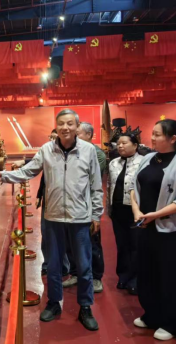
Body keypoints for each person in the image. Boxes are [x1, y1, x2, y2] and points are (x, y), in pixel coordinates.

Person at [0, 109, 103, 332]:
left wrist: (96, 214)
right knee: (53, 264)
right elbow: (28, 171)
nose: (65, 127)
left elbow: (96, 184)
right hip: (53, 217)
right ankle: (54, 302)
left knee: (84, 266)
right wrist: (4, 176)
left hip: (80, 218)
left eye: (70, 123)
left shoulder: (88, 150)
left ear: (77, 126)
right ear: (56, 126)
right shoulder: (46, 149)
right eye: (61, 123)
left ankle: (85, 306)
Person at [131, 119, 176, 341]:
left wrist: (155, 215)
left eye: (158, 134)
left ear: (173, 139)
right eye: (152, 133)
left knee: (170, 278)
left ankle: (171, 323)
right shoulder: (148, 159)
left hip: (171, 232)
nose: (152, 138)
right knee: (146, 275)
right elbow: (134, 187)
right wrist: (137, 211)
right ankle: (152, 315)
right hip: (145, 227)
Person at [63, 122, 107, 293]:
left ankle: (96, 277)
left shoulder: (96, 153)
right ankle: (75, 273)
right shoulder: (70, 151)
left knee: (92, 243)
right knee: (70, 243)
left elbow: (91, 180)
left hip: (86, 205)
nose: (74, 136)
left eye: (78, 133)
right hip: (69, 206)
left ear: (89, 135)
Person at [108, 132, 144, 295]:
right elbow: (110, 185)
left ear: (135, 145)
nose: (120, 146)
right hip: (117, 210)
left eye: (124, 143)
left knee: (136, 245)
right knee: (122, 245)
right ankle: (123, 276)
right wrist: (108, 208)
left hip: (135, 211)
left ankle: (136, 278)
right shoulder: (113, 163)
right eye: (118, 144)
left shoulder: (143, 162)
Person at [39, 129, 70, 278]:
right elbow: (38, 171)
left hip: (67, 202)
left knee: (64, 235)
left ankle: (64, 266)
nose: (52, 140)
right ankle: (48, 264)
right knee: (46, 233)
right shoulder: (48, 152)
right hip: (49, 199)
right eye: (50, 137)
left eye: (55, 137)